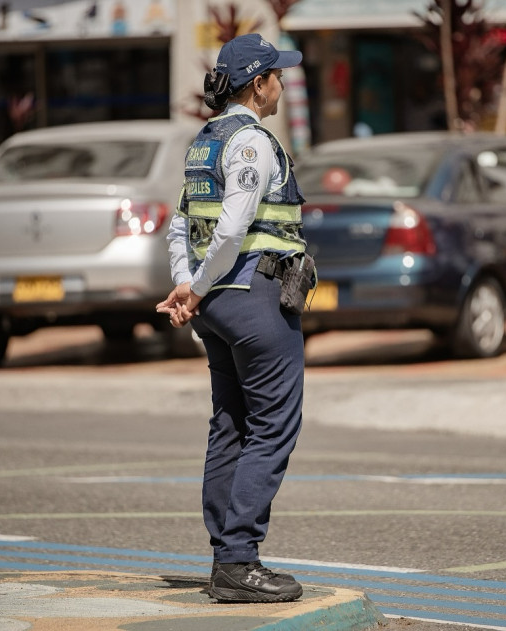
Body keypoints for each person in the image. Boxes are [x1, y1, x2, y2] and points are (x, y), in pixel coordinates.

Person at [156, 33, 310, 603]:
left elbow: (180, 226)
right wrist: (193, 289)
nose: (282, 84)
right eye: (276, 75)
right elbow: (233, 227)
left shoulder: (205, 142)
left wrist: (185, 284)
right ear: (257, 83)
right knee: (273, 425)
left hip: (218, 305)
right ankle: (240, 560)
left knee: (231, 425)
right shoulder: (252, 143)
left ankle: (227, 557)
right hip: (252, 297)